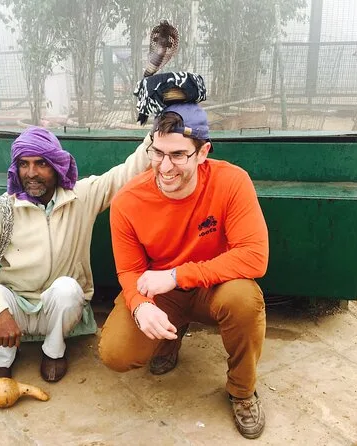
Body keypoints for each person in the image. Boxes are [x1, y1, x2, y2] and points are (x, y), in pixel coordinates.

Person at [98, 103, 269, 439]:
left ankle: (242, 390)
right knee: (116, 353)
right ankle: (170, 337)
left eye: (178, 155)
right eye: (157, 152)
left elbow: (254, 257)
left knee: (244, 299)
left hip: (216, 286)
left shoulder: (232, 181)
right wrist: (140, 306)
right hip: (163, 293)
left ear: (202, 152)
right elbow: (129, 270)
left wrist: (177, 275)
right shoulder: (128, 201)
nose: (165, 166)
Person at [0, 126, 150, 384]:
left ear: (57, 165)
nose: (31, 173)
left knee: (68, 289)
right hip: (14, 309)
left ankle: (54, 350)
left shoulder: (81, 197)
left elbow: (129, 171)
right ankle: (4, 357)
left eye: (41, 163)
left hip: (57, 310)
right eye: (24, 164)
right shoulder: (0, 209)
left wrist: (157, 134)